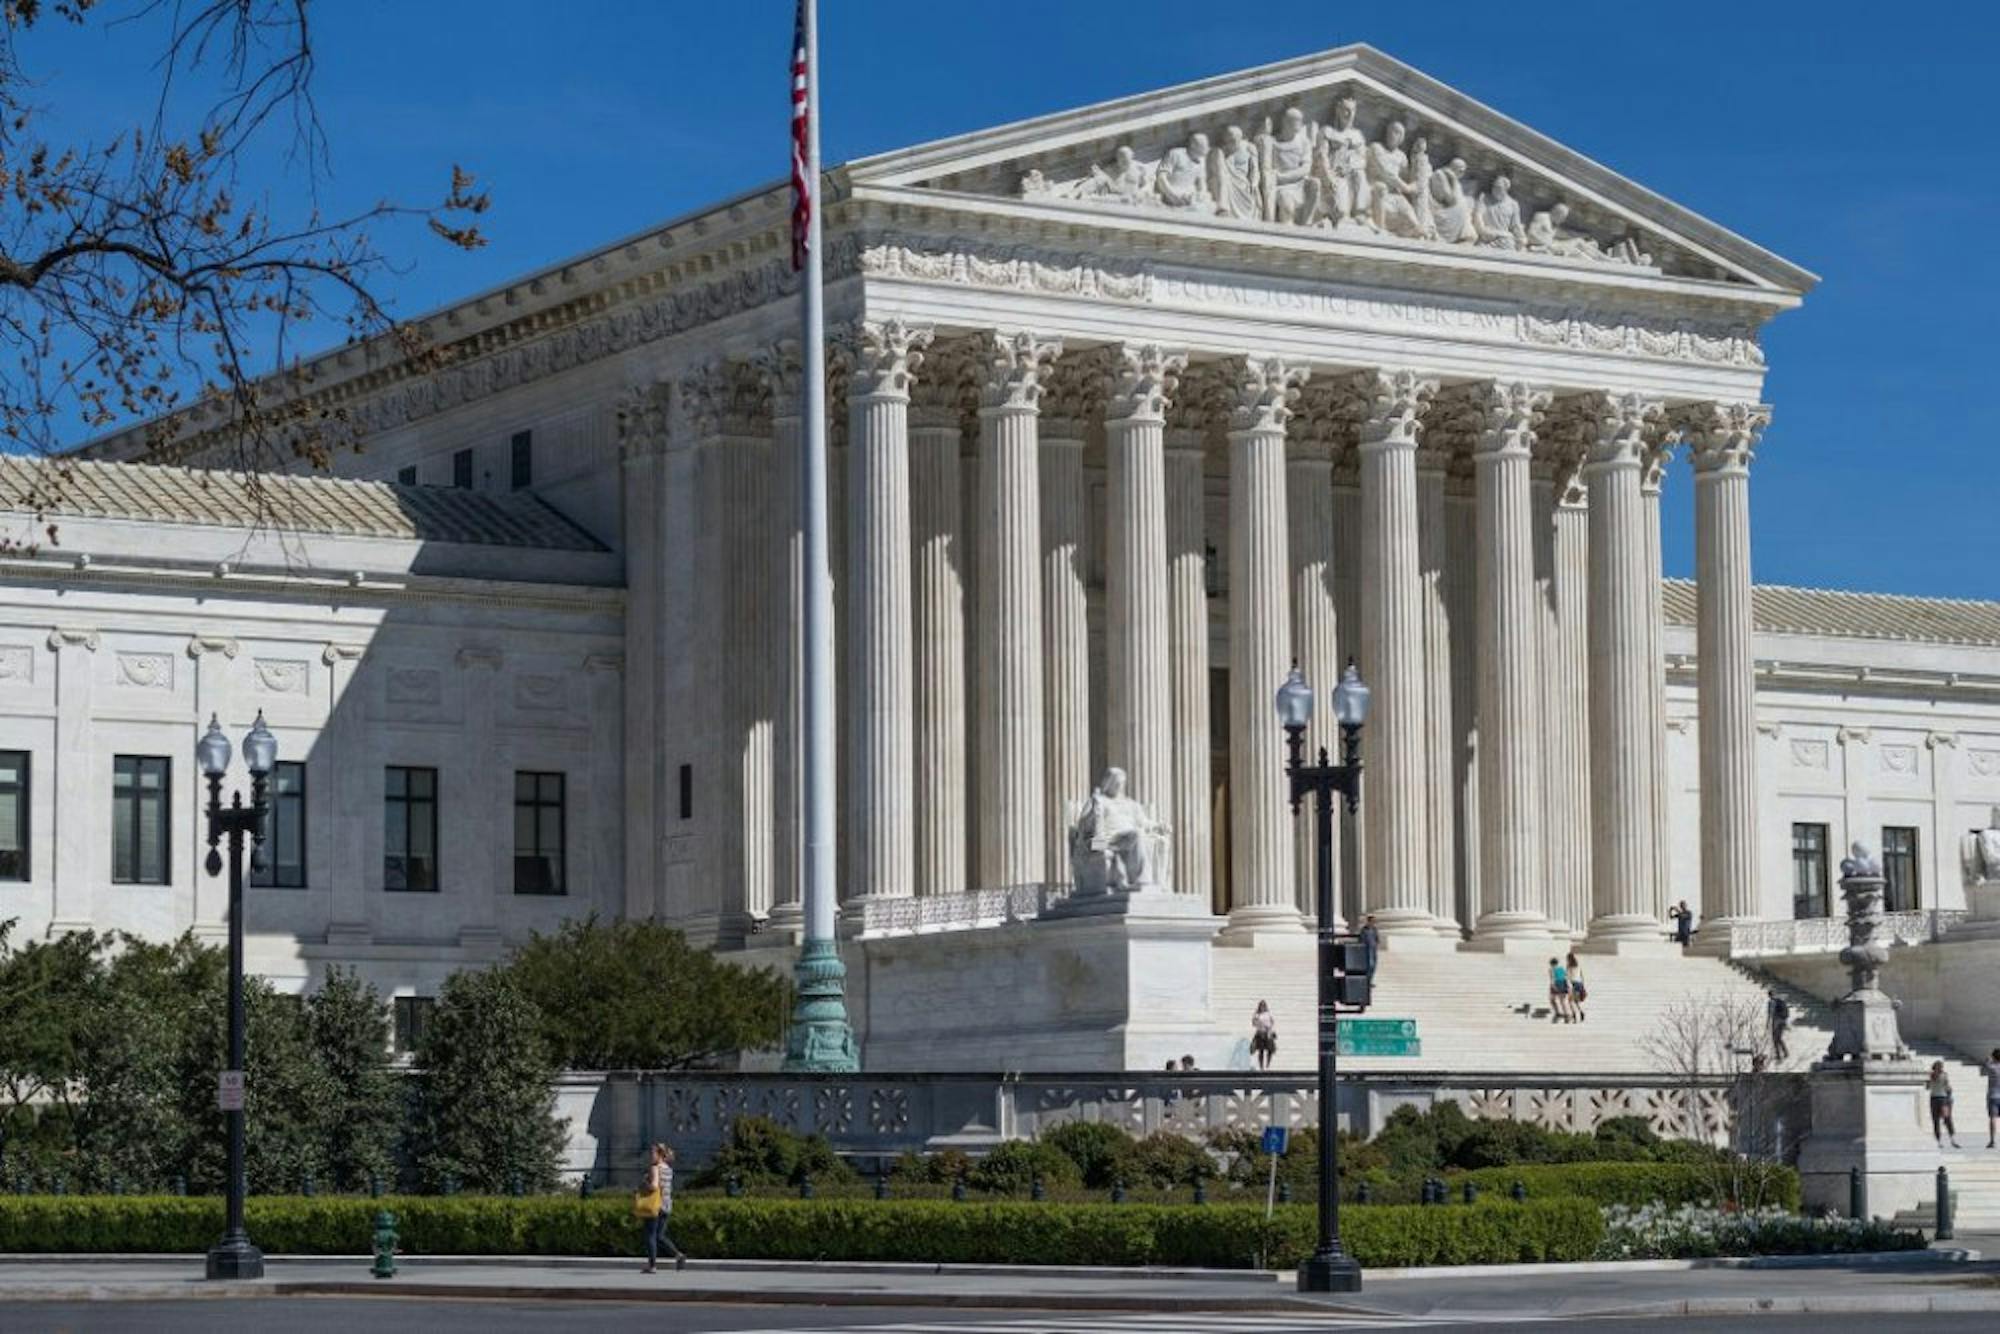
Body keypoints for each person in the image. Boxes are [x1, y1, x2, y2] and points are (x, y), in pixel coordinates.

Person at [639, 1143, 686, 1274]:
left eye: (653, 1153)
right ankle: (678, 1255)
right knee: (660, 1236)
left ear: (659, 1155)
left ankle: (652, 1265)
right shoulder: (668, 1169)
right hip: (666, 1205)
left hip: (655, 1205)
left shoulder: (655, 1168)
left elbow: (654, 1186)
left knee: (650, 1235)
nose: (650, 1156)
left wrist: (645, 1183)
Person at [1930, 1061, 1961, 1148]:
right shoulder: (1932, 1075)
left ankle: (1952, 1139)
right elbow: (1929, 1085)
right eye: (1938, 1067)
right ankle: (1939, 1141)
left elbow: (1948, 1087)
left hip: (1943, 1098)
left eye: (1941, 1067)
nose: (1940, 1068)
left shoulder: (1944, 1075)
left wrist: (1949, 1096)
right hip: (1935, 1098)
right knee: (1936, 1121)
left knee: (1947, 1118)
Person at [1250, 1001, 1277, 1071]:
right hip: (1260, 1033)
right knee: (1261, 1050)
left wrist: (1270, 1029)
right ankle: (1261, 1067)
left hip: (1267, 1033)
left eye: (1263, 1006)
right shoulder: (1257, 1014)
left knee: (1270, 1049)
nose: (1262, 1007)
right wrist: (1256, 1020)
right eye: (1261, 1006)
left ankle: (1267, 1065)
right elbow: (1253, 1023)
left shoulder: (1268, 1014)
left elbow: (1272, 1022)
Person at [1767, 991, 1791, 1061]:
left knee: (1775, 1039)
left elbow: (1771, 1013)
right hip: (1782, 1021)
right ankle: (1785, 1052)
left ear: (1769, 995)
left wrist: (1768, 1023)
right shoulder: (1780, 1001)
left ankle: (1778, 1055)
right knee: (1779, 1038)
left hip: (1776, 1021)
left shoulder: (1772, 1002)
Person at [1547, 956, 1572, 1024]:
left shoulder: (1551, 969)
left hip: (1556, 984)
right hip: (1563, 984)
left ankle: (1558, 1012)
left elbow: (1552, 978)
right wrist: (1568, 987)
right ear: (1557, 963)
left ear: (1551, 963)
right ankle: (1566, 1013)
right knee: (1562, 1001)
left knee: (1552, 999)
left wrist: (1553, 986)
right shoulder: (1562, 968)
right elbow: (1566, 977)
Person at [1565, 951, 1588, 1022]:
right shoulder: (1578, 966)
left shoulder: (1569, 966)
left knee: (1570, 1001)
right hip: (1580, 984)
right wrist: (1583, 986)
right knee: (1576, 1001)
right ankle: (1581, 1012)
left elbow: (1568, 977)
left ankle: (1574, 1014)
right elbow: (1582, 976)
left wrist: (1569, 986)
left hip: (1573, 984)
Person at [1359, 914, 1380, 978]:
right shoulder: (1364, 929)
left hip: (1373, 949)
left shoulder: (1374, 929)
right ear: (1368, 921)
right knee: (1369, 965)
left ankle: (1370, 979)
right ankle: (1367, 980)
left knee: (1373, 965)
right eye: (1372, 921)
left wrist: (1376, 945)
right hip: (1366, 949)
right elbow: (1361, 939)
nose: (1373, 923)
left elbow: (1377, 938)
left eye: (1374, 921)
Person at [1986, 1048, 2000, 1148]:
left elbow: (1987, 1060)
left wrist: (1990, 1058)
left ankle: (1992, 1140)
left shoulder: (1991, 1067)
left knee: (1993, 1118)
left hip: (1993, 1096)